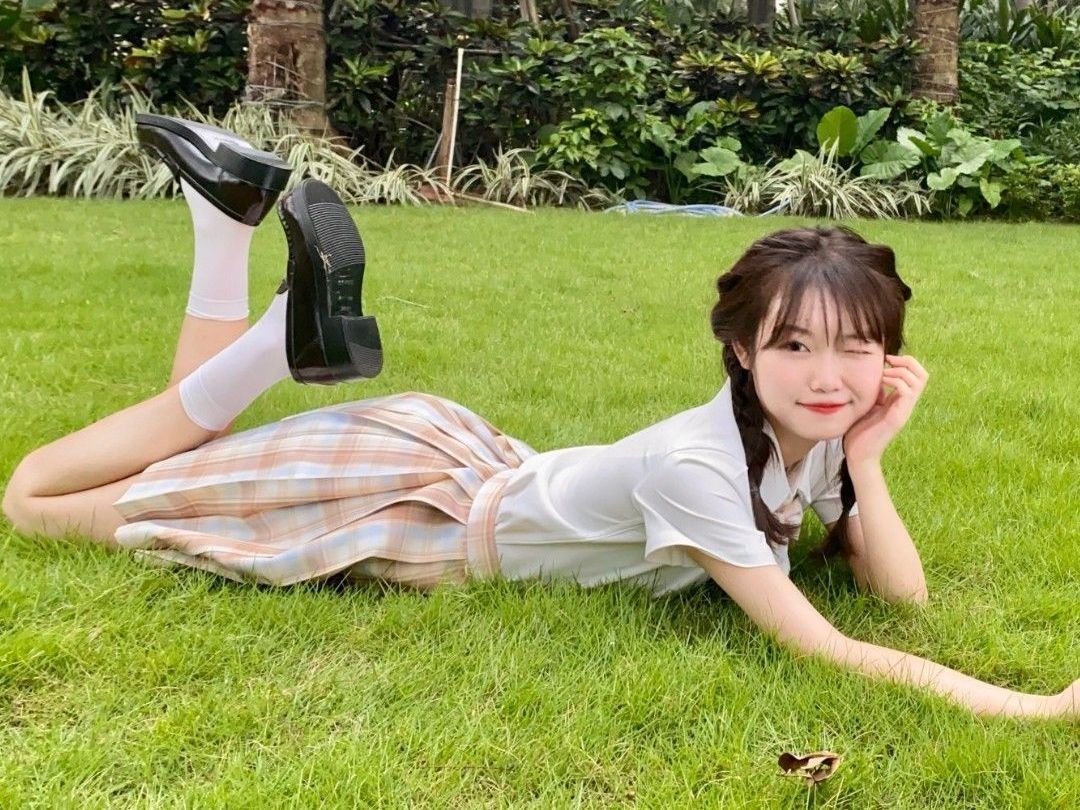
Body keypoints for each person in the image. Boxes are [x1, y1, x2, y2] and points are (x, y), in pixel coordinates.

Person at [2, 116, 1075, 723]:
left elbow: (901, 597)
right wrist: (1036, 709)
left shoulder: (816, 437)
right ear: (743, 351)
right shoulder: (701, 468)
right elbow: (825, 645)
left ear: (890, 355)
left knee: (195, 460)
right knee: (35, 501)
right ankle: (272, 340)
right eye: (795, 345)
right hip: (404, 502)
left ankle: (224, 221)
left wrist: (869, 462)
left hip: (460, 458)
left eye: (856, 347)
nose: (830, 376)